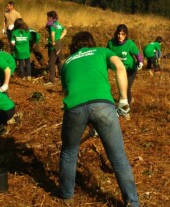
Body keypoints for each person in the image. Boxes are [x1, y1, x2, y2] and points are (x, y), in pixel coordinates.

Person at [53, 31, 139, 207]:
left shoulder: (67, 63)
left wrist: (87, 119)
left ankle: (66, 196)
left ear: (74, 46)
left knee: (69, 152)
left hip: (74, 109)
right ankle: (132, 202)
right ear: (91, 42)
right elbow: (121, 68)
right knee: (118, 158)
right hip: (103, 106)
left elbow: (66, 92)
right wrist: (123, 100)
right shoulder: (101, 51)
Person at [107, 24, 143, 119]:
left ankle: (126, 110)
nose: (120, 36)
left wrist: (140, 62)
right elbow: (106, 55)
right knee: (122, 88)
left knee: (126, 87)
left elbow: (137, 54)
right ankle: (127, 102)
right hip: (120, 71)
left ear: (126, 35)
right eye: (119, 34)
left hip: (131, 69)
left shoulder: (130, 44)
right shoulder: (111, 44)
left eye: (123, 34)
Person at [45, 10, 67, 86]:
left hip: (53, 46)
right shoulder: (58, 24)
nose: (47, 18)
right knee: (58, 62)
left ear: (50, 17)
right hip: (59, 44)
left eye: (47, 17)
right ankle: (62, 78)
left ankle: (51, 81)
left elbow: (52, 34)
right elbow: (65, 30)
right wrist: (60, 37)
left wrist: (53, 41)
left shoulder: (52, 25)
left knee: (51, 63)